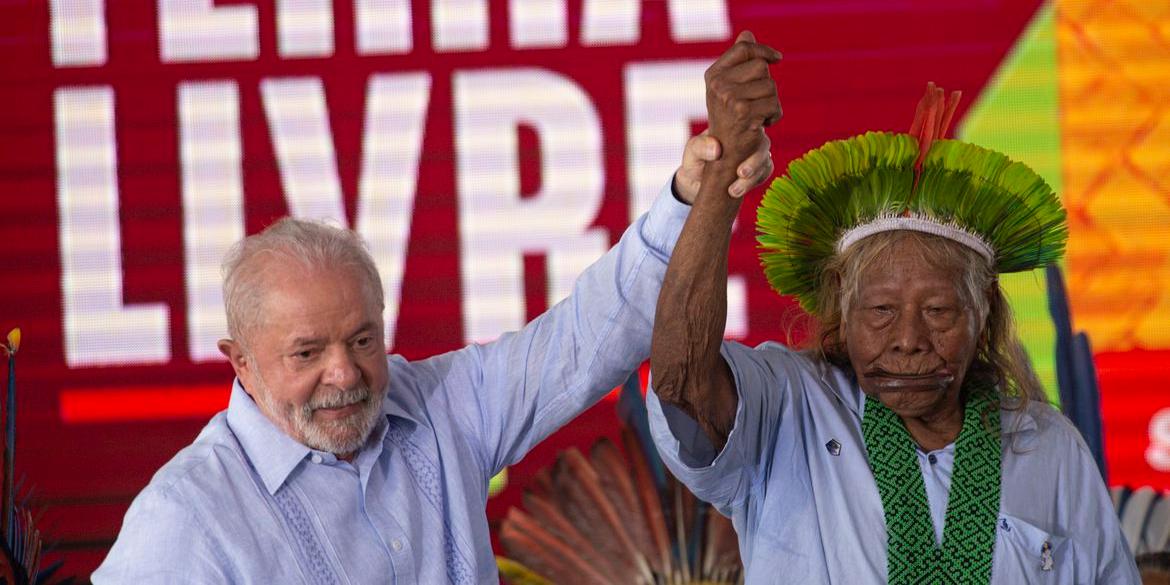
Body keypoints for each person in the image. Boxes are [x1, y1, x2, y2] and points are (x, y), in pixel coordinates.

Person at [91, 34, 782, 584]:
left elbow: (588, 337)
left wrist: (694, 196)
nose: (345, 373)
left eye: (362, 339)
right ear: (239, 361)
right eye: (307, 352)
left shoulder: (441, 405)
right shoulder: (187, 516)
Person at [647, 79, 1141, 583]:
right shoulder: (789, 410)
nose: (908, 339)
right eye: (881, 309)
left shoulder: (1049, 447)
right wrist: (720, 184)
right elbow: (682, 383)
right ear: (842, 302)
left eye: (939, 311)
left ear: (984, 310)